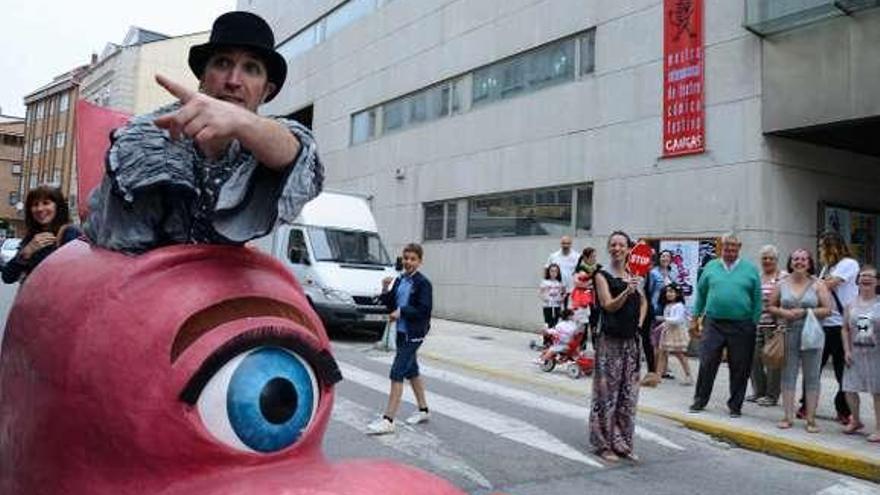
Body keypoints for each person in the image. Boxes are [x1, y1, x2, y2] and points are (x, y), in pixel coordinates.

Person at [85, 11, 322, 252]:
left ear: (265, 91)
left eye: (251, 68)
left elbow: (301, 157)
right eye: (222, 63)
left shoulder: (260, 141)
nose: (233, 80)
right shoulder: (147, 139)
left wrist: (241, 121)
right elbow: (123, 255)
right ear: (202, 79)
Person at [690, 233, 762, 417]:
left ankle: (735, 406)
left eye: (733, 247)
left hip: (742, 324)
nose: (729, 250)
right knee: (707, 362)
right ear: (720, 247)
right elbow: (701, 294)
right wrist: (695, 318)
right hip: (714, 322)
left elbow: (757, 299)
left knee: (740, 366)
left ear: (739, 247)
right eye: (726, 247)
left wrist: (753, 322)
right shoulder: (711, 267)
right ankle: (700, 400)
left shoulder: (750, 269)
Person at [590, 230, 646, 462]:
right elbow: (608, 305)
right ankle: (603, 444)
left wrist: (639, 326)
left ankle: (623, 442)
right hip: (609, 342)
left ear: (628, 248)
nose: (617, 248)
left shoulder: (635, 274)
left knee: (628, 396)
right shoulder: (601, 275)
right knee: (607, 395)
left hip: (630, 343)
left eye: (621, 245)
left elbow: (644, 303)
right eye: (612, 244)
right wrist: (626, 291)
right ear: (608, 248)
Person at [367, 243, 433, 435]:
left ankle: (388, 420)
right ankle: (423, 410)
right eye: (406, 258)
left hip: (415, 333)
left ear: (420, 261)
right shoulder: (400, 279)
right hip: (402, 331)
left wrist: (402, 311)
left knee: (397, 372)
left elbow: (424, 309)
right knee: (411, 370)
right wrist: (385, 289)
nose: (408, 262)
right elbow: (390, 304)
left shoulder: (423, 284)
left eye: (413, 259)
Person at [767, 249, 832, 432]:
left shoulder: (818, 284)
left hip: (812, 334)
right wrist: (783, 312)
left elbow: (828, 310)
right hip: (789, 332)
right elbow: (771, 306)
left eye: (804, 259)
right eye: (796, 259)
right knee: (788, 375)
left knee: (812, 377)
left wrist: (805, 312)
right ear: (790, 262)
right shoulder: (781, 283)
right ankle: (787, 417)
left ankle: (811, 419)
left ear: (809, 263)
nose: (800, 262)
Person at [814, 232, 859, 424]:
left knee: (843, 371)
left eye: (822, 247)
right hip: (825, 324)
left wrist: (814, 283)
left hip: (842, 324)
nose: (820, 251)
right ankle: (805, 404)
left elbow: (827, 286)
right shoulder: (826, 267)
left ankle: (844, 410)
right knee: (814, 367)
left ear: (831, 247)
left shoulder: (848, 264)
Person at [2, 186, 81, 284]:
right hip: (32, 297)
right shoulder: (32, 237)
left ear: (58, 206)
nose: (39, 209)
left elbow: (76, 275)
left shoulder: (70, 233)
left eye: (46, 203)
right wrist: (26, 253)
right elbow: (7, 277)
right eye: (35, 204)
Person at [841, 265, 880, 442]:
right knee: (849, 387)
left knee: (877, 391)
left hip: (876, 352)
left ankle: (879, 428)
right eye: (862, 275)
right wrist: (847, 350)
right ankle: (855, 420)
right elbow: (844, 329)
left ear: (877, 281)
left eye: (869, 276)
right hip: (855, 351)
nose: (865, 278)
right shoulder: (851, 304)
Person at [749, 244, 786, 407]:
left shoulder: (783, 277)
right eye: (764, 258)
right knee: (754, 360)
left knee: (773, 361)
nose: (767, 261)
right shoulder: (757, 276)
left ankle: (772, 395)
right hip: (757, 324)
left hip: (774, 325)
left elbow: (787, 300)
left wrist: (782, 324)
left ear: (777, 260)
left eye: (771, 258)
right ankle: (759, 391)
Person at [655, 284, 694, 386]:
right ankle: (657, 376)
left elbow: (677, 319)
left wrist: (664, 320)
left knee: (679, 354)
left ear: (677, 294)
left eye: (672, 292)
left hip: (677, 332)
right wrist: (660, 327)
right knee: (662, 353)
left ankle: (688, 375)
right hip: (668, 331)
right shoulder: (667, 306)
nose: (669, 294)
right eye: (668, 292)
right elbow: (668, 318)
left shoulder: (679, 306)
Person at [539, 263, 565, 329]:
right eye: (552, 271)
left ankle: (554, 337)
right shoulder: (545, 282)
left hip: (557, 305)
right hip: (547, 305)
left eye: (555, 271)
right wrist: (545, 298)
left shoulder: (560, 283)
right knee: (548, 322)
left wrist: (562, 298)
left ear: (558, 272)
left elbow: (563, 293)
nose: (553, 273)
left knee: (556, 322)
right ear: (549, 272)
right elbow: (540, 293)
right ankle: (547, 337)